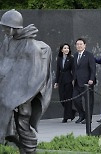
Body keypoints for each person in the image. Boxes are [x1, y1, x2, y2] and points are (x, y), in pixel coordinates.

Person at [0, 9, 52, 154]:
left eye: (6, 27)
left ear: (14, 27)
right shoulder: (8, 41)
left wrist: (22, 98)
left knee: (22, 126)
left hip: (23, 98)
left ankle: (29, 150)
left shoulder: (31, 47)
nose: (4, 30)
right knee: (11, 128)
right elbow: (3, 64)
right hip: (8, 94)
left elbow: (35, 77)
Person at [73, 38, 96, 124]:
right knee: (75, 100)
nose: (79, 46)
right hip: (77, 82)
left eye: (81, 44)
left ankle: (88, 118)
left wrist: (91, 79)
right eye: (77, 44)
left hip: (87, 82)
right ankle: (82, 114)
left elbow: (93, 68)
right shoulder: (75, 55)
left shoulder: (89, 55)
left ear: (85, 45)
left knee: (89, 102)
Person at [54, 43, 76, 123]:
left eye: (68, 48)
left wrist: (74, 79)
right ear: (61, 50)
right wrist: (56, 82)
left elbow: (73, 70)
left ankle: (66, 117)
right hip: (61, 80)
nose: (66, 49)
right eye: (65, 48)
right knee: (62, 99)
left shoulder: (71, 58)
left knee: (68, 98)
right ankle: (72, 112)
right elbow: (57, 70)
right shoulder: (59, 58)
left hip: (68, 80)